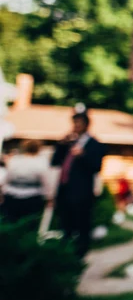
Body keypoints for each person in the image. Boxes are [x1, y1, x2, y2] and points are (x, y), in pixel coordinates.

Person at [51, 104, 106, 257]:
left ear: (86, 125)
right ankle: (64, 254)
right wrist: (61, 145)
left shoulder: (95, 145)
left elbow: (96, 167)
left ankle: (80, 254)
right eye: (74, 123)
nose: (76, 126)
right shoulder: (69, 143)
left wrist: (83, 155)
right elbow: (55, 162)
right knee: (65, 224)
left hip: (82, 193)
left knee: (82, 225)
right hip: (65, 190)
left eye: (79, 123)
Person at [0, 140, 52, 223]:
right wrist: (49, 197)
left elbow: (7, 177)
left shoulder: (15, 160)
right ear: (38, 149)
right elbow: (46, 181)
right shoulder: (41, 162)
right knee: (27, 222)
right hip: (32, 196)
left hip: (11, 194)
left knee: (11, 220)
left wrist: (2, 191)